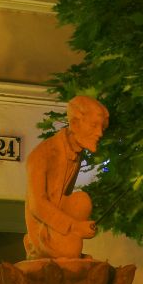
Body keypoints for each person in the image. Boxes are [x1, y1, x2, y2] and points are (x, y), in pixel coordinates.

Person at [23, 95, 108, 260]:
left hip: (56, 217)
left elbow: (64, 197)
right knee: (69, 253)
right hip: (42, 226)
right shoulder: (42, 154)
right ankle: (42, 248)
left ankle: (65, 248)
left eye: (102, 128)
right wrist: (75, 227)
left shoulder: (76, 152)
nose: (99, 133)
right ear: (75, 124)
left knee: (81, 201)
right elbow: (37, 205)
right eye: (94, 125)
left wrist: (79, 227)